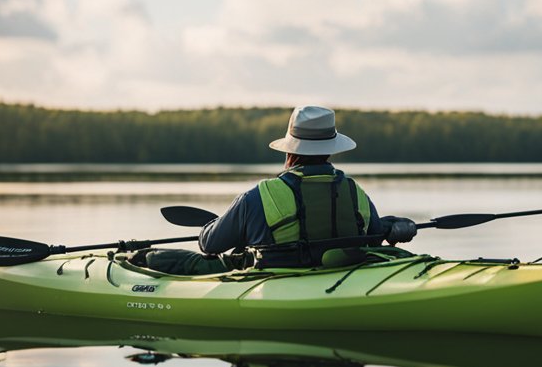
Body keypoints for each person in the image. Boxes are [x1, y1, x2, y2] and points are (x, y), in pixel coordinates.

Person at [133, 106, 416, 274]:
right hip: (338, 274)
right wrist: (397, 226)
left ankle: (139, 259)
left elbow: (209, 245)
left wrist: (211, 225)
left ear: (290, 151)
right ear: (331, 149)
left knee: (181, 261)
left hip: (273, 277)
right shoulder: (357, 193)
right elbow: (376, 234)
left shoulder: (258, 196)